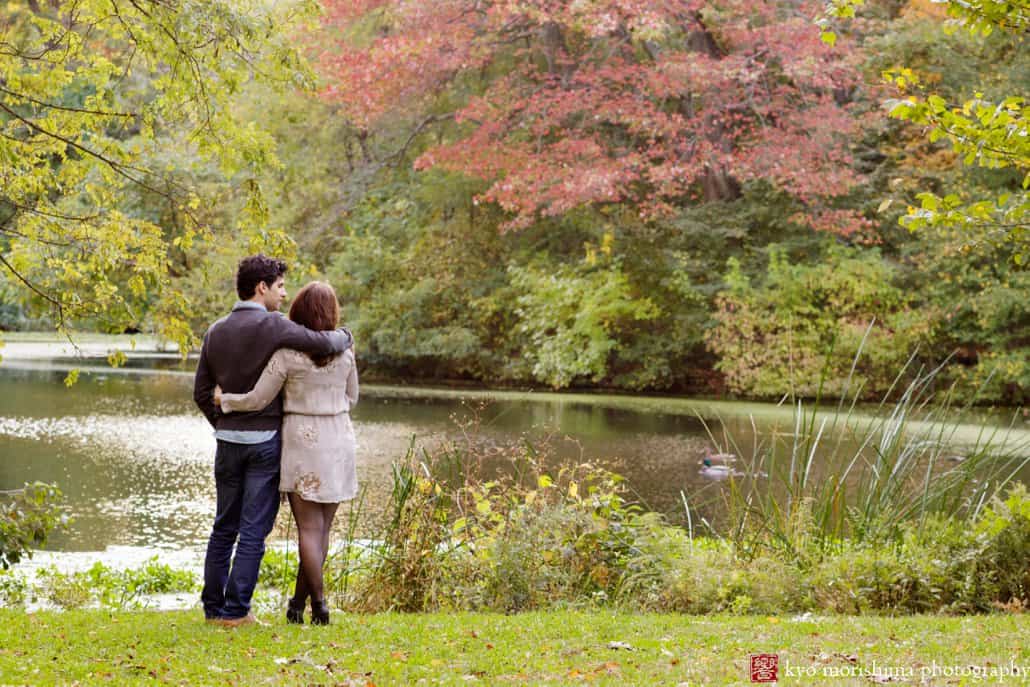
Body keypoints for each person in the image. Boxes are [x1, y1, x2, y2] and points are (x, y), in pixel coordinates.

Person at [193, 256, 352, 627]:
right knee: (252, 529)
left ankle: (213, 607)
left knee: (223, 527)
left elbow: (201, 391)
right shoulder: (274, 326)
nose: (284, 294)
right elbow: (322, 341)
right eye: (279, 286)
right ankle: (235, 613)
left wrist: (221, 425)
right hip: (264, 442)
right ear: (261, 287)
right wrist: (347, 336)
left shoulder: (215, 330)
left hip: (228, 442)